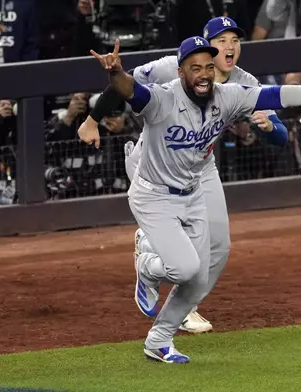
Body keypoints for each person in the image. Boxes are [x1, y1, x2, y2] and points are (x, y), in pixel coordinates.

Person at [80, 36, 301, 363]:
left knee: (199, 279)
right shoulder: (163, 99)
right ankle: (147, 266)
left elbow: (275, 96)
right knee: (184, 269)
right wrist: (114, 76)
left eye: (208, 67)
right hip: (153, 195)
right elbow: (130, 90)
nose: (204, 73)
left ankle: (159, 340)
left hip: (193, 193)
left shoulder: (227, 97)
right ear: (181, 71)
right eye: (195, 67)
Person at [80, 16, 289, 335]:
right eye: (221, 41)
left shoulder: (246, 83)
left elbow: (282, 136)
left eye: (235, 40)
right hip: (153, 162)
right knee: (186, 248)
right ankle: (150, 255)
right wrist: (92, 120)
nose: (230, 46)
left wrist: (270, 127)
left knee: (219, 244)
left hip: (199, 166)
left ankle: (184, 305)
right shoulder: (172, 67)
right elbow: (125, 84)